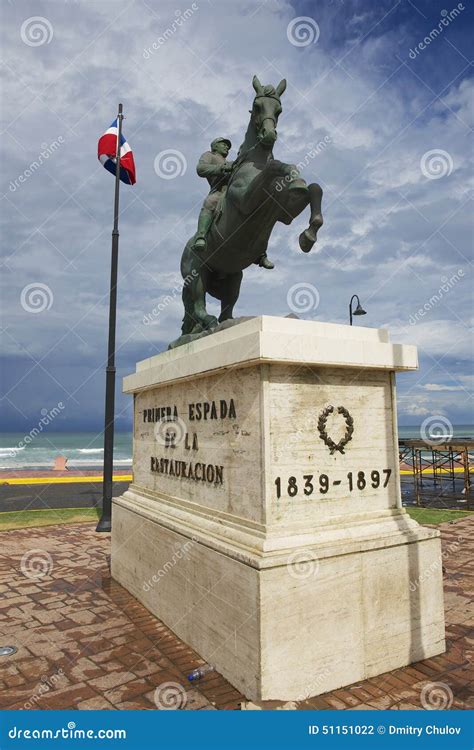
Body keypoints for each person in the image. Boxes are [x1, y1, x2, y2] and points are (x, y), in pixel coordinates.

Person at [193, 137, 274, 269]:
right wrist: (221, 168)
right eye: (223, 144)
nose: (226, 147)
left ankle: (260, 253)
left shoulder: (232, 162)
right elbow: (200, 169)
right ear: (214, 146)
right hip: (220, 192)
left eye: (228, 146)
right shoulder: (209, 155)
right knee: (210, 202)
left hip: (236, 191)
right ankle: (201, 236)